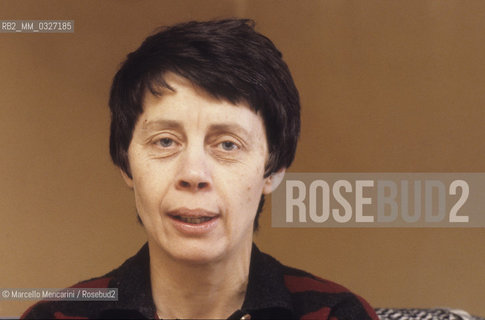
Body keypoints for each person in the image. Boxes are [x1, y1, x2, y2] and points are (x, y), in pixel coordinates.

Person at [22, 19, 378, 320]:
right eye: (165, 141)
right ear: (125, 163)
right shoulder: (59, 316)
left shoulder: (335, 314)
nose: (193, 173)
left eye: (227, 144)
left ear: (273, 169)